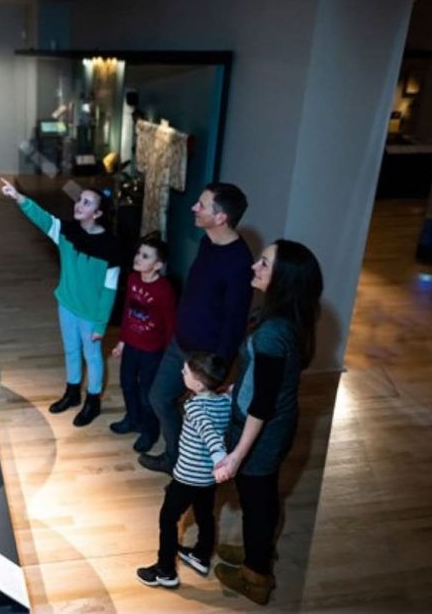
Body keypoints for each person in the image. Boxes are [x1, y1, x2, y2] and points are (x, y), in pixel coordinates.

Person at [212, 239, 323, 605]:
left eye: (264, 264)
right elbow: (259, 378)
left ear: (284, 280)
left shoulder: (274, 333)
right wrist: (234, 388)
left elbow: (262, 403)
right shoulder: (282, 317)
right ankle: (255, 552)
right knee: (259, 498)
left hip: (263, 432)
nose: (254, 268)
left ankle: (256, 575)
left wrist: (236, 456)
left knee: (258, 501)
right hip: (267, 423)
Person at [139, 183, 253, 473]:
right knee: (159, 396)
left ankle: (182, 464)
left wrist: (218, 369)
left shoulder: (240, 262)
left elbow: (235, 321)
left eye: (202, 205)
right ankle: (174, 456)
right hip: (180, 343)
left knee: (199, 418)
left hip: (203, 356)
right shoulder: (206, 242)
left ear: (221, 218)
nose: (194, 207)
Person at [1, 178, 119, 426]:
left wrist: (100, 324)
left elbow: (110, 290)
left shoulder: (111, 247)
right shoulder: (67, 230)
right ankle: (72, 392)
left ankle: (93, 401)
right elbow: (43, 219)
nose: (79, 204)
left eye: (87, 203)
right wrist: (19, 197)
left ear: (97, 213)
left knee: (93, 357)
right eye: (79, 200)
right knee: (71, 351)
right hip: (65, 304)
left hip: (90, 315)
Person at [136, 351, 232, 589]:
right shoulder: (224, 402)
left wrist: (220, 457)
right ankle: (201, 555)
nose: (181, 373)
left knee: (168, 518)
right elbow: (228, 403)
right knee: (205, 515)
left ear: (198, 384)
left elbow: (210, 435)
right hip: (207, 479)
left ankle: (165, 570)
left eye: (186, 372)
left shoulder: (196, 408)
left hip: (187, 477)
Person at [110, 232, 176, 452]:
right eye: (139, 253)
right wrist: (122, 341)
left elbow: (170, 324)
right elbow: (128, 312)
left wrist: (168, 354)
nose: (138, 258)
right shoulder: (132, 279)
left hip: (152, 351)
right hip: (131, 346)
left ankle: (150, 431)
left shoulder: (164, 290)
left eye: (145, 256)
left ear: (158, 265)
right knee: (127, 384)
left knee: (146, 392)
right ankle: (132, 419)